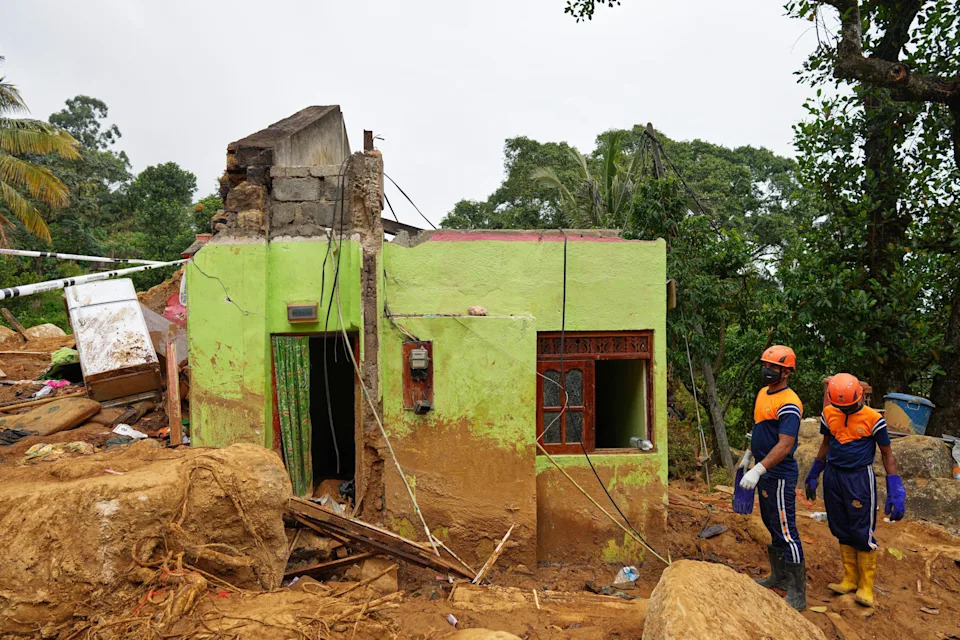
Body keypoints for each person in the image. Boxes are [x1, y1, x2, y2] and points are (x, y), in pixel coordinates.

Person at [804, 373, 905, 608]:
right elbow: (826, 444)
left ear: (860, 397)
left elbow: (887, 453)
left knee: (861, 528)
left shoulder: (874, 419)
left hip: (859, 477)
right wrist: (814, 472)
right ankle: (850, 579)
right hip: (833, 474)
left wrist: (895, 487)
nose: (845, 410)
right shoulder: (829, 414)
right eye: (841, 407)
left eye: (849, 406)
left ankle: (866, 586)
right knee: (840, 526)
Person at [737, 345, 806, 611]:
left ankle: (798, 593)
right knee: (771, 524)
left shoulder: (790, 403)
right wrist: (748, 455)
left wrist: (759, 469)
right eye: (766, 365)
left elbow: (785, 445)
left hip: (779, 474)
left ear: (786, 372)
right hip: (764, 470)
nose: (767, 370)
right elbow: (759, 430)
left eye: (774, 367)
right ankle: (779, 577)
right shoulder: (762, 394)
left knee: (787, 531)